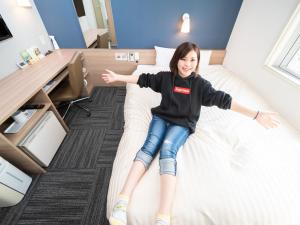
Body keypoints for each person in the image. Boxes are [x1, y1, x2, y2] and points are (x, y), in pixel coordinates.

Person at [101, 42, 280, 225]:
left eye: (192, 60)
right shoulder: (165, 78)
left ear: (197, 62)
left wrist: (256, 114)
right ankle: (122, 202)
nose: (187, 64)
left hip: (183, 124)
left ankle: (163, 217)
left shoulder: (201, 85)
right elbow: (143, 79)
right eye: (183, 59)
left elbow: (224, 100)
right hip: (161, 118)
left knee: (167, 150)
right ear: (176, 60)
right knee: (149, 145)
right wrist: (118, 77)